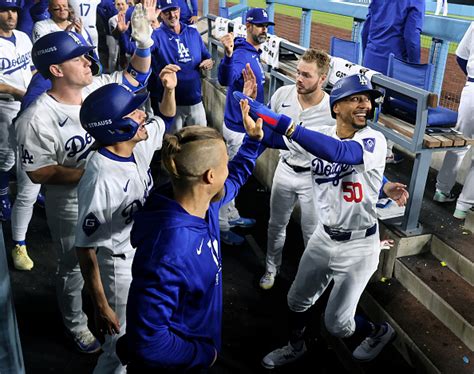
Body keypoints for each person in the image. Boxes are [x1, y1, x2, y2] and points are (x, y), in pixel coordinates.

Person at [235, 74, 408, 367]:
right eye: (356, 98)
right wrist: (258, 133)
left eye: (367, 99)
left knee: (338, 325)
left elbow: (342, 153)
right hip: (323, 237)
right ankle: (295, 345)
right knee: (296, 300)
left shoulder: (374, 139)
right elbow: (280, 139)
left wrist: (289, 126)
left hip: (359, 246)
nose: (365, 104)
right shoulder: (322, 134)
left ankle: (378, 332)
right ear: (336, 107)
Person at [15, 1, 155, 354]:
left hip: (112, 192)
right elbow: (38, 170)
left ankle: (107, 308)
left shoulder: (98, 88)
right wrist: (94, 172)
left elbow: (136, 76)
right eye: (78, 59)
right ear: (56, 70)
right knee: (73, 266)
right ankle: (76, 322)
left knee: (117, 255)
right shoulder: (37, 117)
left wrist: (143, 44)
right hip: (70, 201)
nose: (88, 62)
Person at [116, 110, 265, 372]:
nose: (228, 170)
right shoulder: (169, 250)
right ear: (209, 176)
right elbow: (149, 343)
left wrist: (252, 142)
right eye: (225, 164)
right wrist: (206, 355)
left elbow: (235, 179)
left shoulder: (205, 202)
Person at [75, 69, 177, 373]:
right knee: (118, 350)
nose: (142, 114)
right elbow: (85, 248)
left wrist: (169, 90)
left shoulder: (137, 144)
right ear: (116, 127)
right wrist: (101, 304)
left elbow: (166, 118)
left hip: (142, 255)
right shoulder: (100, 177)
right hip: (118, 267)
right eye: (133, 112)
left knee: (142, 336)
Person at [260, 48, 335, 290]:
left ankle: (307, 280)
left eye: (306, 75)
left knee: (312, 233)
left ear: (323, 79)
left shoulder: (332, 110)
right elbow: (267, 131)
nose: (298, 79)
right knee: (275, 224)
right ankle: (271, 268)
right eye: (298, 72)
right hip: (285, 169)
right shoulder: (283, 94)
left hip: (313, 178)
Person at [217, 7, 274, 245]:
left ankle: (231, 215)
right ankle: (221, 225)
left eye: (266, 26)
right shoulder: (242, 53)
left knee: (235, 173)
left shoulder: (251, 51)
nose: (264, 30)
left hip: (240, 124)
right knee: (229, 175)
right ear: (248, 26)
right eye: (260, 26)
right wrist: (229, 57)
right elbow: (226, 79)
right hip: (238, 127)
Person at [361, 0, 425, 164]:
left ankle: (362, 147)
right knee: (393, 106)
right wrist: (413, 66)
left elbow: (365, 30)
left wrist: (366, 55)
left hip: (371, 58)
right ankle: (385, 151)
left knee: (372, 103)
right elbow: (411, 37)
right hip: (395, 64)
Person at [0, 0, 36, 271]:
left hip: (28, 106)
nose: (10, 14)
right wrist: (21, 93)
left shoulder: (23, 37)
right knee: (5, 156)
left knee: (26, 156)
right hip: (4, 106)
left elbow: (33, 69)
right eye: (4, 10)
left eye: (14, 10)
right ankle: (2, 194)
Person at [149, 0, 213, 132]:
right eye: (167, 12)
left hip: (195, 100)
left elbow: (207, 56)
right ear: (160, 14)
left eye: (175, 10)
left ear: (179, 10)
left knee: (200, 142)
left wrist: (209, 62)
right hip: (171, 103)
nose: (172, 15)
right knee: (172, 144)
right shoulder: (156, 36)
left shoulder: (193, 33)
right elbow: (138, 50)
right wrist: (145, 27)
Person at [434, 21, 474, 219]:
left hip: (471, 91)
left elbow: (460, 57)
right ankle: (463, 208)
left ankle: (442, 190)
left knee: (459, 141)